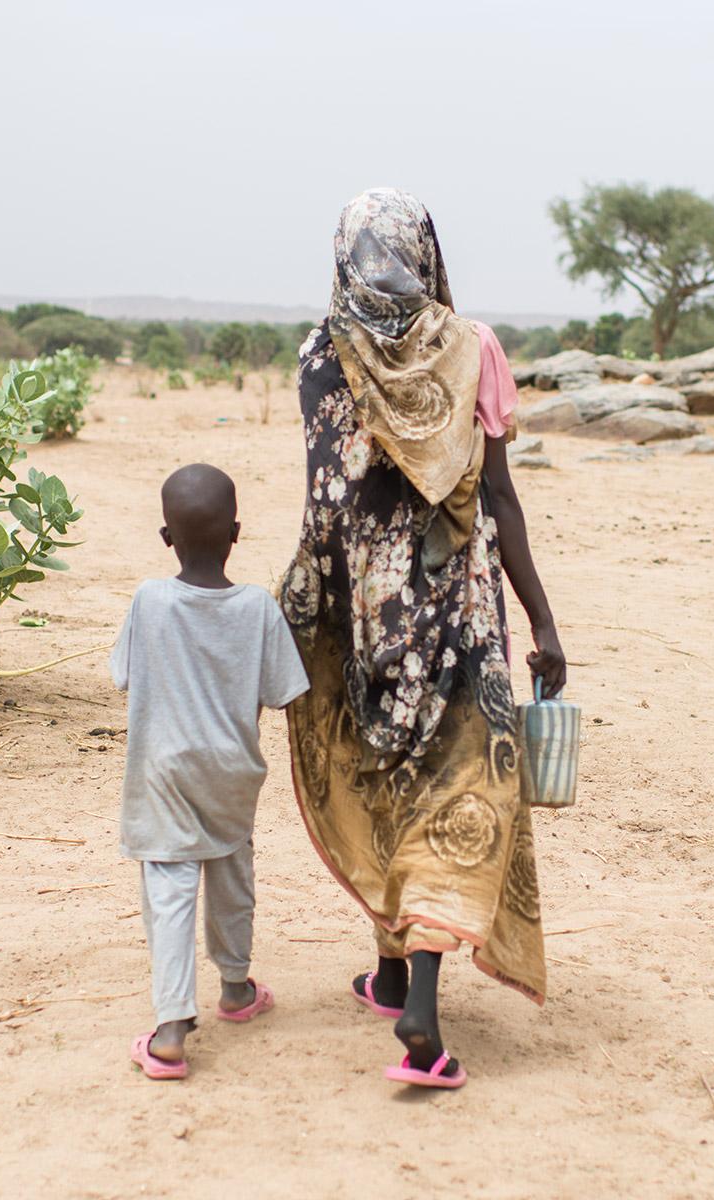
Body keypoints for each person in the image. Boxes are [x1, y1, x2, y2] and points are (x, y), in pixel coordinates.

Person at [281, 188, 566, 1090]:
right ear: (423, 251)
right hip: (464, 614)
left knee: (388, 774)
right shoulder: (473, 347)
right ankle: (420, 1007)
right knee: (458, 785)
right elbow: (502, 499)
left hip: (368, 620)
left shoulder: (321, 356)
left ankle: (394, 966)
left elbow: (328, 512)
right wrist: (544, 623)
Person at [111, 463, 311, 1080]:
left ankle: (172, 1026)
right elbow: (285, 693)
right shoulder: (258, 607)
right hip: (231, 772)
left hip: (164, 772)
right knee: (231, 875)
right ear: (237, 533)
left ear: (166, 537)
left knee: (170, 889)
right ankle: (235, 988)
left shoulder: (150, 599)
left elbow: (122, 675)